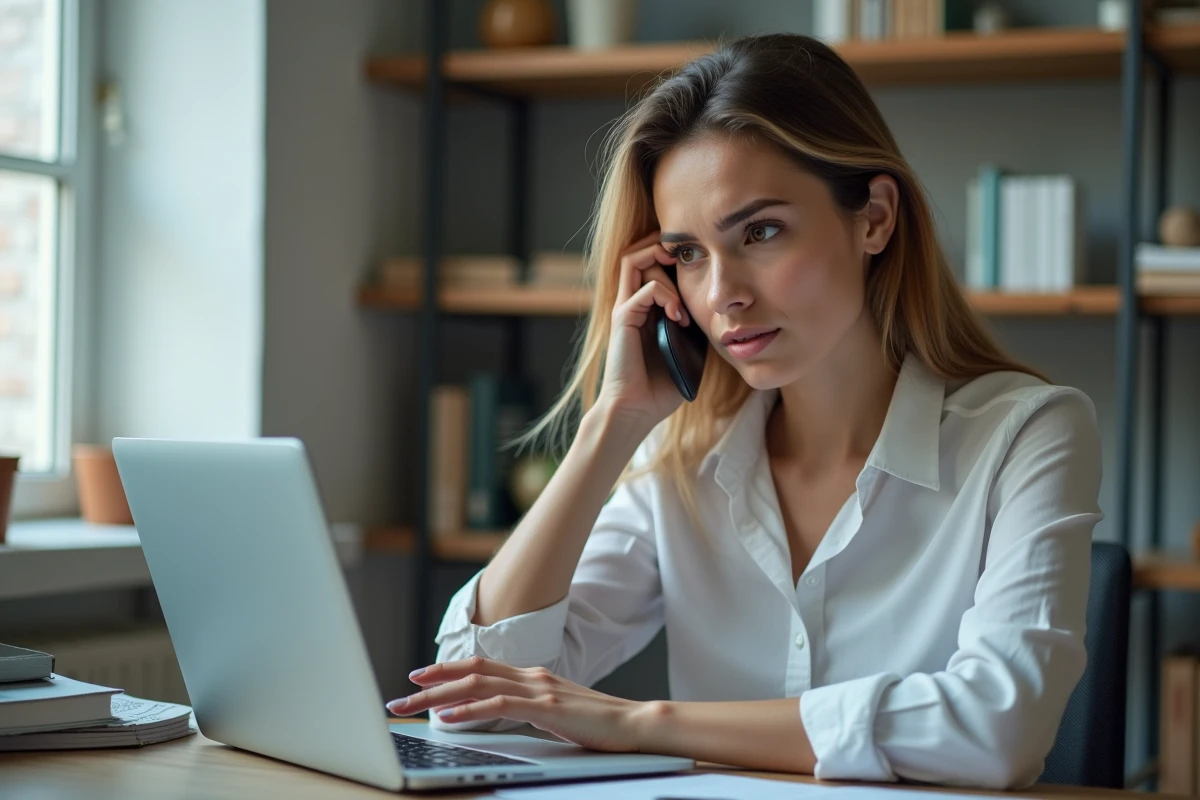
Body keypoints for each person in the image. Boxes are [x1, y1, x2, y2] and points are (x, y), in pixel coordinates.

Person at [387, 33, 1102, 790]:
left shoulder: (1030, 432)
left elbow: (998, 729)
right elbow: (468, 702)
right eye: (687, 253)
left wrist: (638, 722)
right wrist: (612, 423)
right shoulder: (679, 462)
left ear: (875, 219)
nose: (723, 292)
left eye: (760, 232)